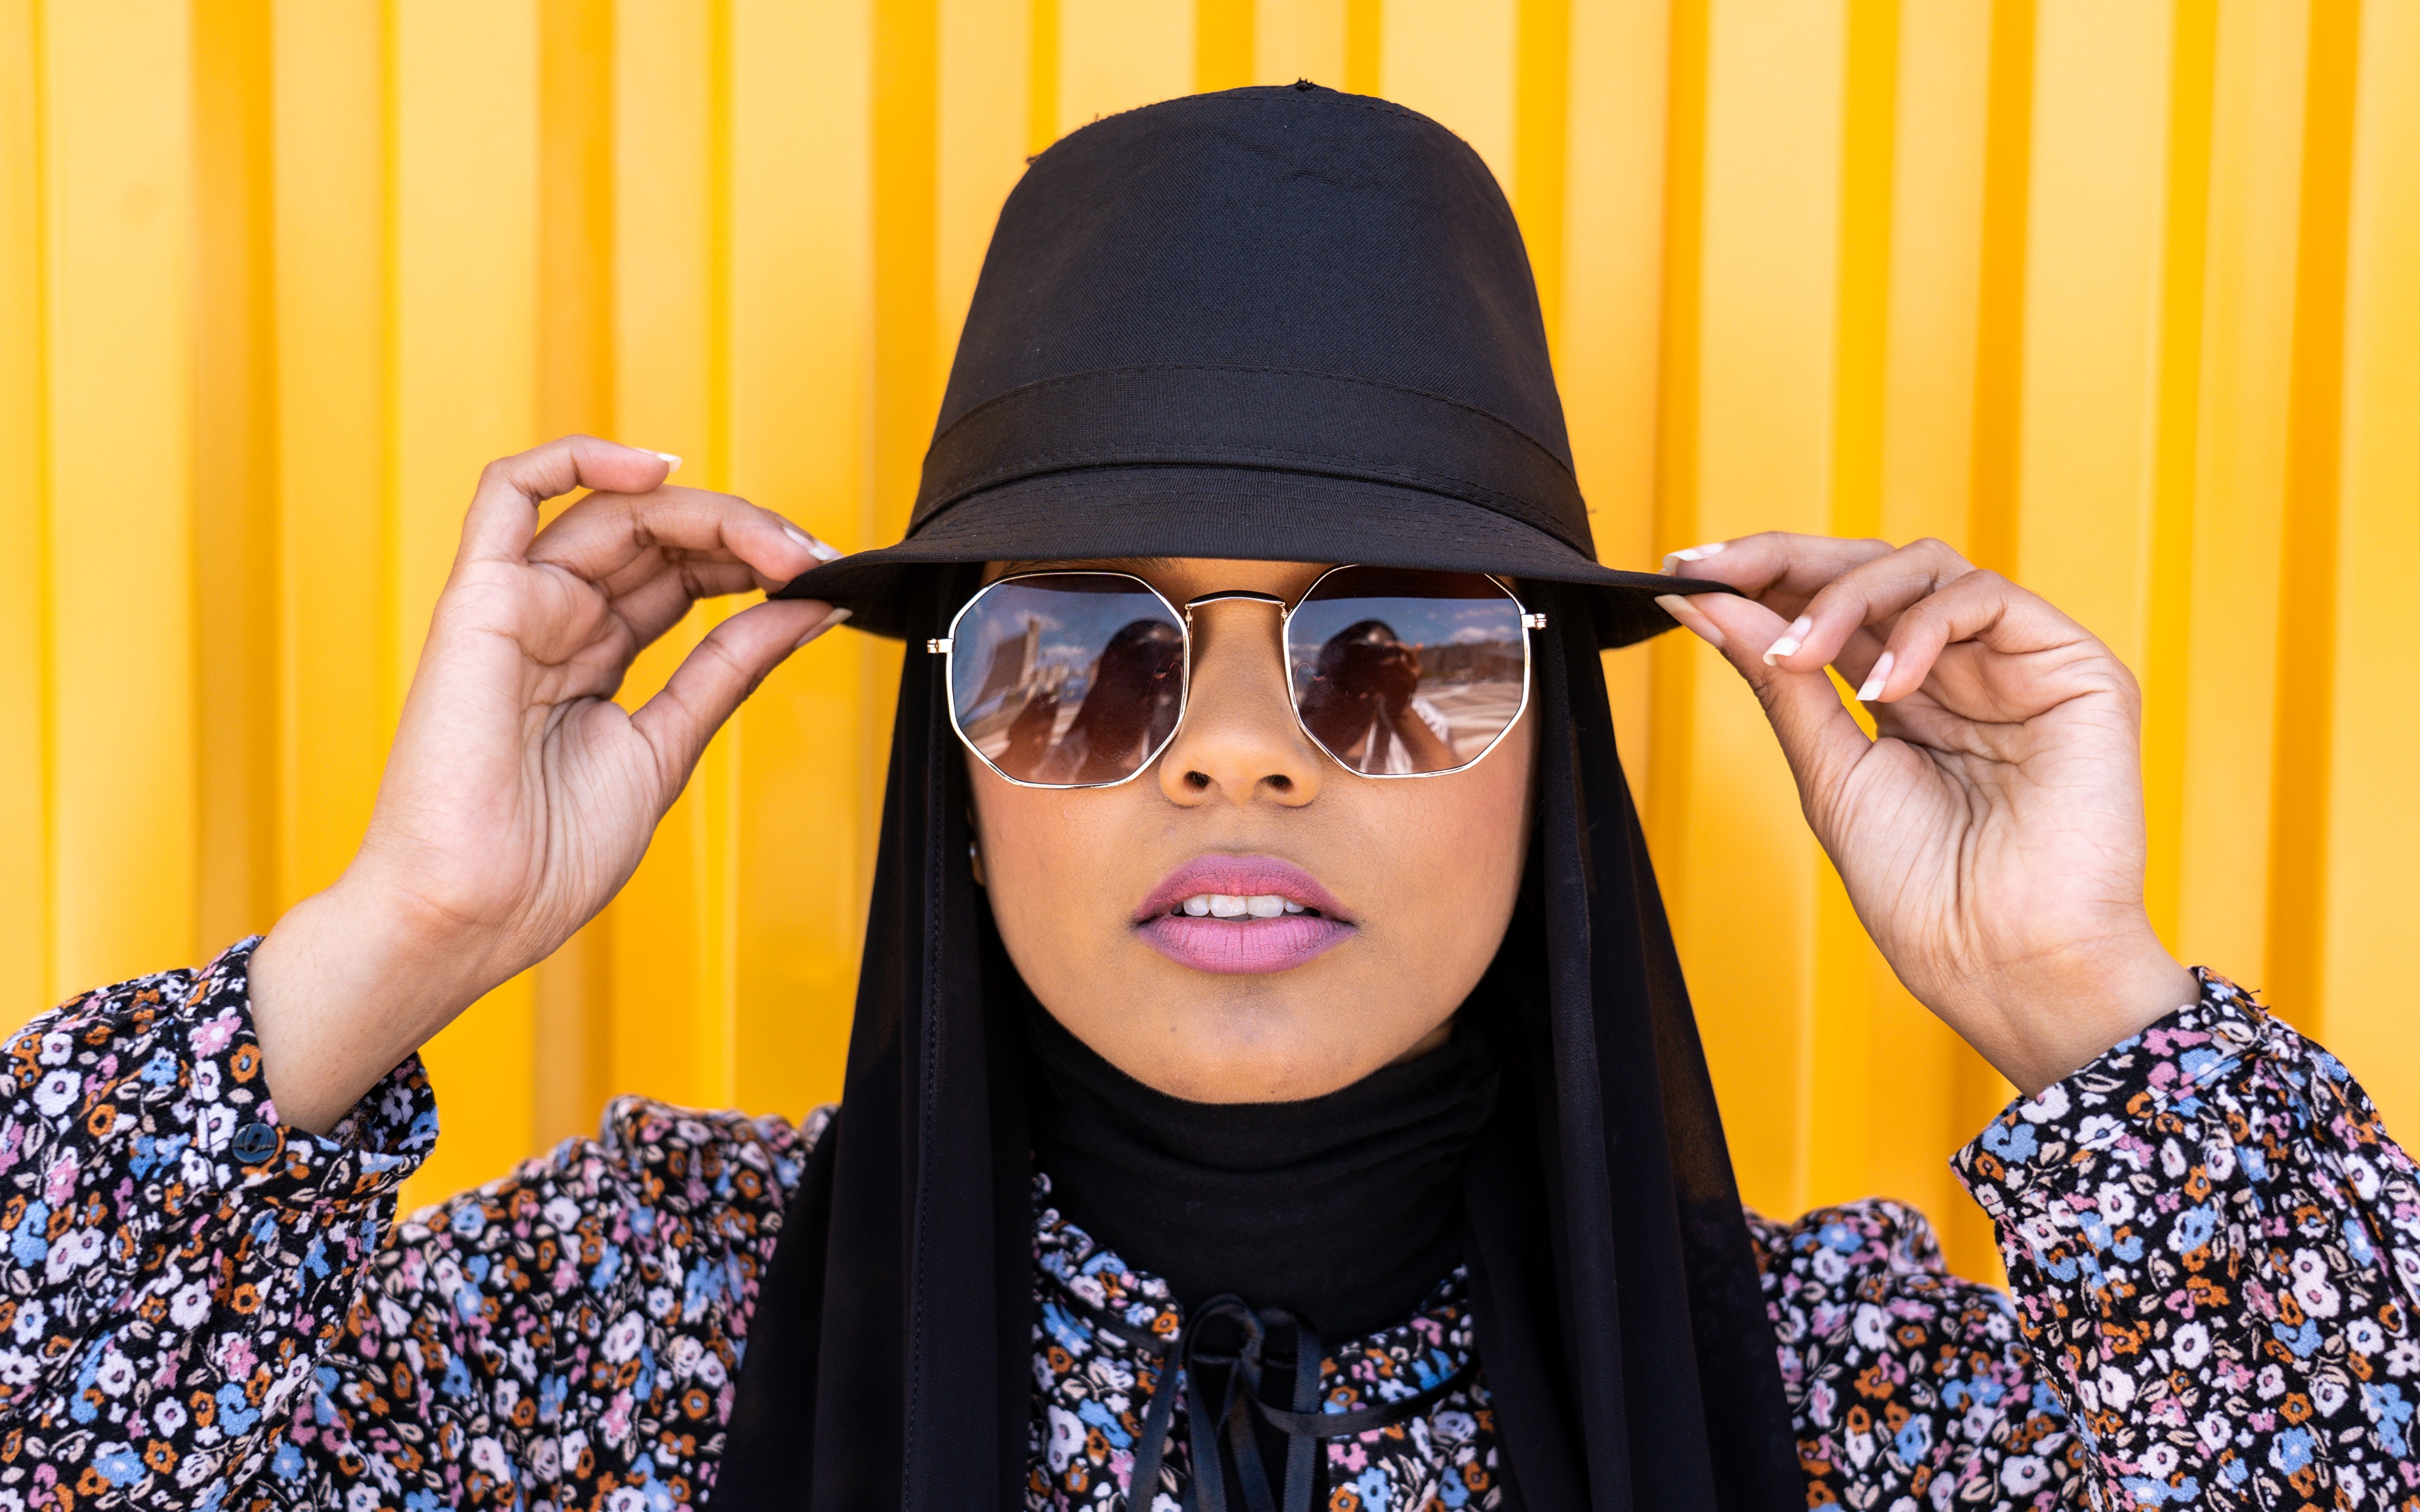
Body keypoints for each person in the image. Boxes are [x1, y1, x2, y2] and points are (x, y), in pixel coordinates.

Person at [1, 84, 2412, 1512]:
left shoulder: (1859, 1401)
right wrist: (403, 933)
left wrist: (2091, 1012)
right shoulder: (631, 1326)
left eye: (1391, 652)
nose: (1236, 747)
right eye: (1084, 653)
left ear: (1551, 768)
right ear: (957, 769)